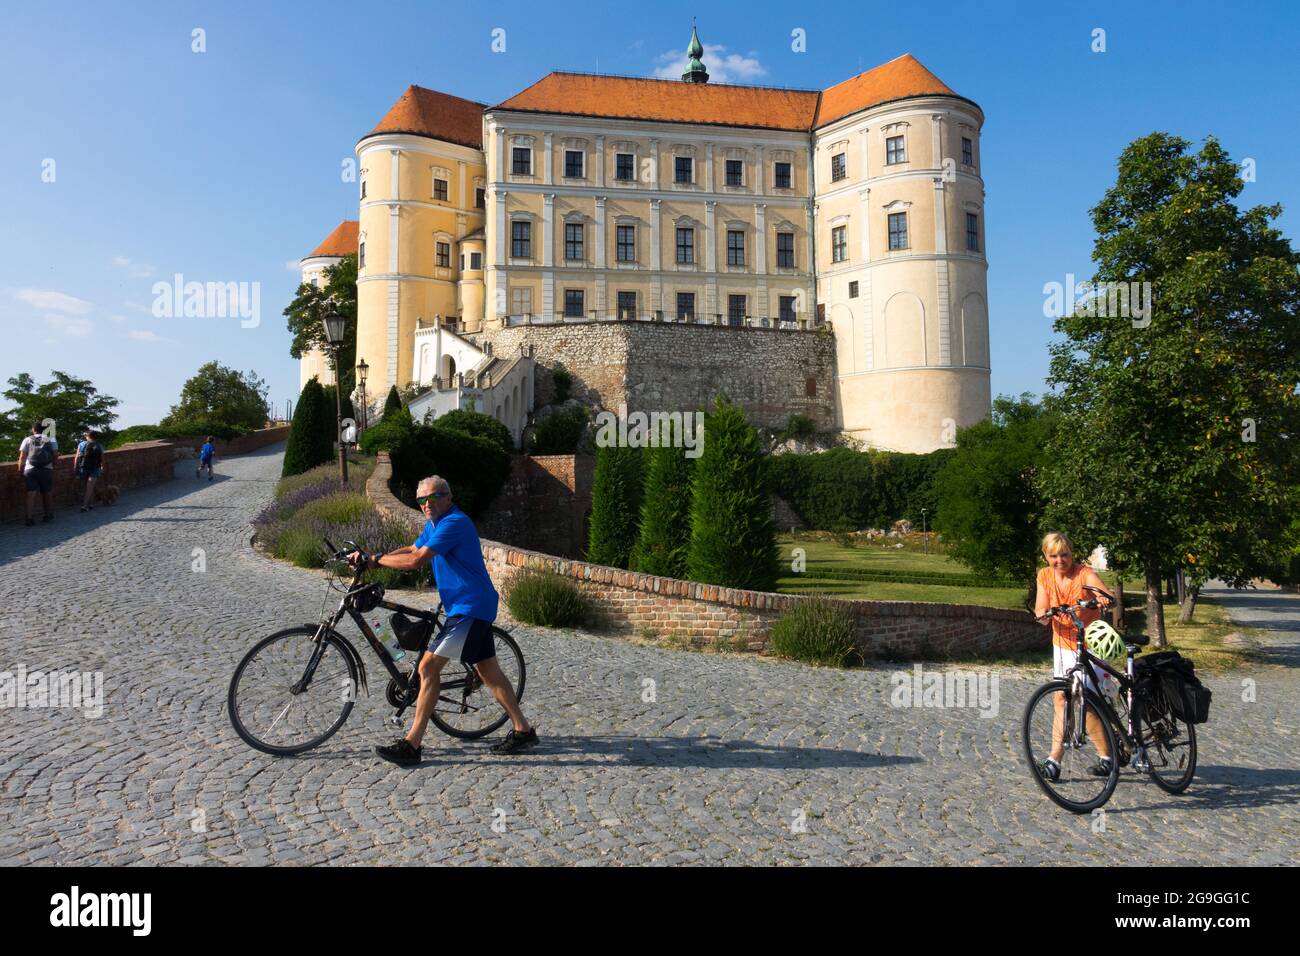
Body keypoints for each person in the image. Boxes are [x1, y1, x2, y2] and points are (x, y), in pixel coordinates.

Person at [350, 475, 537, 767]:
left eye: (432, 497)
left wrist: (376, 559)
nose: (426, 504)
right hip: (467, 606)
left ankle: (412, 745)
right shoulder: (435, 524)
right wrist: (375, 558)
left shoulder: (454, 523)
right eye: (421, 500)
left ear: (448, 497)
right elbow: (412, 549)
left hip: (470, 607)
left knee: (427, 667)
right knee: (489, 672)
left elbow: (416, 561)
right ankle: (523, 729)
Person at [1032, 532, 1115, 781]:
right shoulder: (1044, 575)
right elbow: (1040, 608)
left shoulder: (1084, 574)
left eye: (1064, 554)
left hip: (1090, 644)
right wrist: (1044, 614)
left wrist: (1102, 599)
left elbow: (1107, 595)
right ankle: (1054, 761)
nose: (1060, 560)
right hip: (1063, 646)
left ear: (1072, 554)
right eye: (1053, 555)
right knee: (1061, 698)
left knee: (1084, 700)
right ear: (1046, 556)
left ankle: (1107, 757)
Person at [16, 421, 59, 526]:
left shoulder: (27, 439)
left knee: (30, 494)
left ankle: (29, 518)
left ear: (33, 430)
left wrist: (20, 470)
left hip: (30, 469)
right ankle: (47, 515)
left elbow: (22, 457)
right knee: (47, 492)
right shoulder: (51, 439)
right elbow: (55, 455)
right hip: (46, 469)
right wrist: (52, 465)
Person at [74, 428, 105, 512]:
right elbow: (102, 458)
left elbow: (76, 458)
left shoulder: (81, 444)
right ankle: (90, 504)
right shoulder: (99, 445)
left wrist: (75, 469)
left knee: (87, 487)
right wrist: (102, 467)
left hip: (83, 467)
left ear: (88, 436)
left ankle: (85, 505)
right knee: (90, 486)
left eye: (85, 435)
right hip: (95, 468)